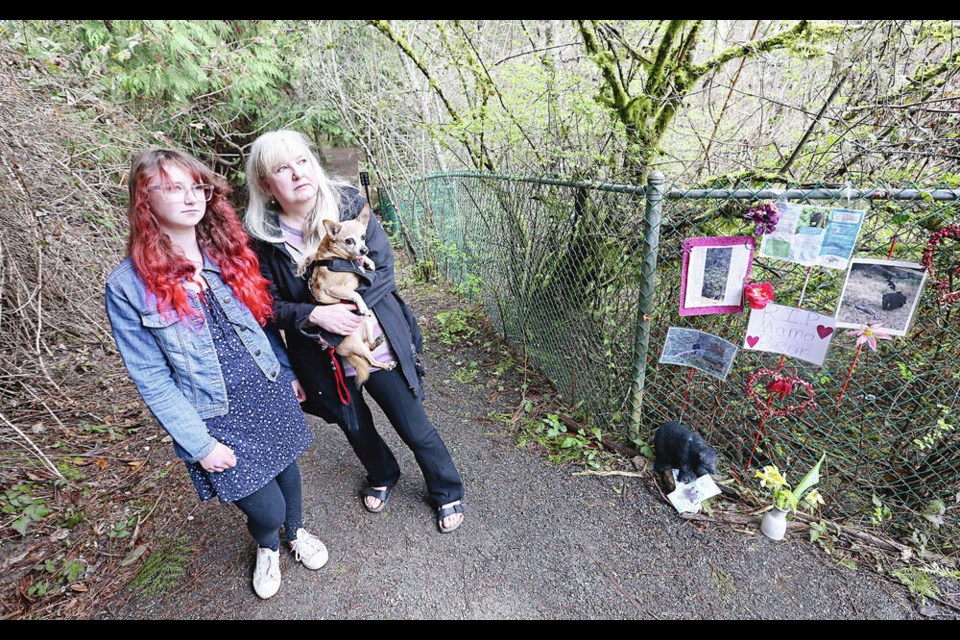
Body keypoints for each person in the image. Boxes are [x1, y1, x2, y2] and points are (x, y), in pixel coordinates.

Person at [104, 149, 329, 600]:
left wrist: (285, 371)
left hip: (267, 389)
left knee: (286, 468)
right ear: (143, 200)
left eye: (197, 186)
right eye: (172, 188)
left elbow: (262, 322)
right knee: (263, 505)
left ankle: (296, 532)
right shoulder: (127, 286)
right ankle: (268, 541)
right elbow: (151, 378)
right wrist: (199, 444)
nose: (190, 198)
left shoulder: (226, 252)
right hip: (214, 415)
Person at [244, 130, 466, 533]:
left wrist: (345, 304)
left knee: (412, 422)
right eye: (282, 168)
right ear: (265, 184)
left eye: (303, 162)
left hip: (375, 341)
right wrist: (314, 316)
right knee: (354, 423)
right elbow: (266, 306)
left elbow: (383, 270)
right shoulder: (262, 240)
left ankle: (447, 489)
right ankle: (383, 473)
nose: (297, 174)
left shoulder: (348, 204)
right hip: (319, 355)